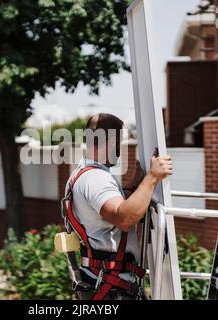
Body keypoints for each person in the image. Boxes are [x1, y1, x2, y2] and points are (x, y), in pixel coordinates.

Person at [64, 113, 173, 300]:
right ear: (111, 141)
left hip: (103, 283)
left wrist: (136, 184)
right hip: (111, 289)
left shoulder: (83, 173)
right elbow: (124, 218)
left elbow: (111, 214)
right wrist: (152, 177)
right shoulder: (96, 179)